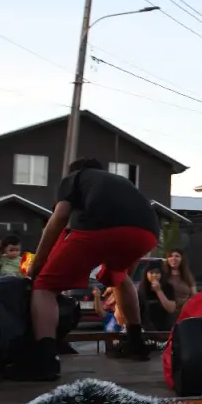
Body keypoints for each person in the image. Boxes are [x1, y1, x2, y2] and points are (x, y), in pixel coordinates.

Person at [18, 158, 160, 381]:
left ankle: (45, 361)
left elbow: (60, 217)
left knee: (45, 286)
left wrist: (37, 264)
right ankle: (136, 342)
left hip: (100, 227)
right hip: (148, 232)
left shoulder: (74, 178)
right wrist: (120, 274)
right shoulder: (119, 182)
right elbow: (128, 263)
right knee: (120, 278)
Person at [138, 259, 177, 331]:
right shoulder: (142, 287)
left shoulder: (168, 287)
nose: (154, 275)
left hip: (164, 327)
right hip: (146, 328)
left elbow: (171, 309)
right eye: (151, 272)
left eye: (157, 273)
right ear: (146, 274)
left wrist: (159, 291)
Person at [165, 248, 197, 313]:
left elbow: (194, 294)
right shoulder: (163, 274)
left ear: (182, 259)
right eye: (171, 256)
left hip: (186, 311)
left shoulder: (187, 275)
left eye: (177, 256)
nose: (173, 258)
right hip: (168, 311)